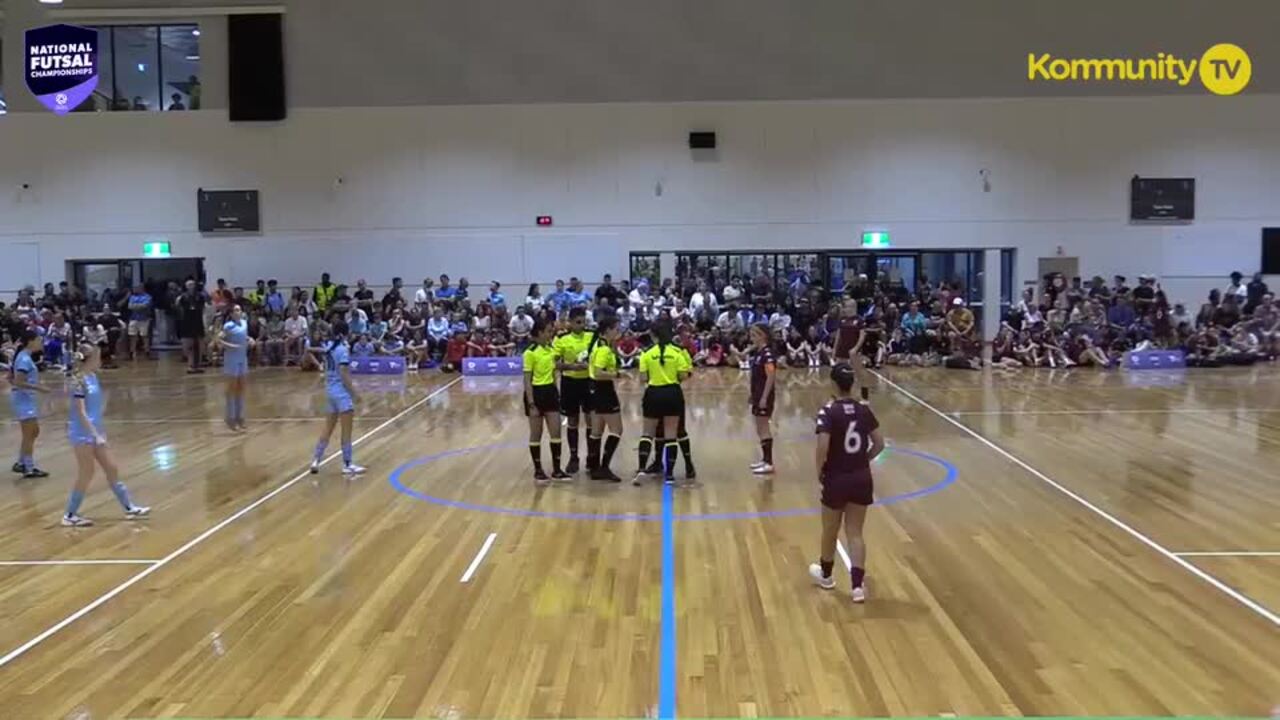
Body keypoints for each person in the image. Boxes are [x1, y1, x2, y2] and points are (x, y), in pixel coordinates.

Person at [809, 363, 885, 603]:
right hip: (861, 476)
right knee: (855, 532)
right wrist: (865, 459)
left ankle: (827, 576)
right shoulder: (863, 410)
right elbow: (880, 444)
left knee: (830, 530)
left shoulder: (828, 411)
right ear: (851, 384)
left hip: (837, 477)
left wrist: (819, 471)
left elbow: (823, 446)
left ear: (832, 383)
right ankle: (857, 587)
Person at [60, 343, 150, 527]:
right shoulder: (78, 381)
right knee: (87, 473)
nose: (101, 360)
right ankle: (69, 515)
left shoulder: (93, 377)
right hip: (82, 433)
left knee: (112, 468)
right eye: (98, 357)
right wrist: (94, 434)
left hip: (96, 431)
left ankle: (129, 508)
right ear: (90, 359)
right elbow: (81, 411)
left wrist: (99, 430)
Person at [635, 319, 690, 485]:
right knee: (671, 434)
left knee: (647, 433)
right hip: (672, 393)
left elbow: (643, 378)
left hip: (653, 393)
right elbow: (683, 376)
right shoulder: (677, 354)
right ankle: (670, 475)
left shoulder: (647, 354)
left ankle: (642, 469)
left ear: (653, 335)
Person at [308, 322, 365, 475]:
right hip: (341, 394)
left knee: (328, 428)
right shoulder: (343, 350)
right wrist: (355, 393)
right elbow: (344, 374)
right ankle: (347, 464)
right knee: (346, 431)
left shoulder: (328, 348)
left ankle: (316, 460)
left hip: (330, 391)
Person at [523, 320, 566, 484]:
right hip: (536, 393)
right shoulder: (530, 353)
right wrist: (531, 403)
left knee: (556, 432)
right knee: (536, 433)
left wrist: (557, 392)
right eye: (548, 331)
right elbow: (527, 380)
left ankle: (557, 470)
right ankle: (538, 470)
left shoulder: (550, 350)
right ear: (540, 333)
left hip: (550, 393)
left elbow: (554, 373)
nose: (551, 334)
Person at [553, 307, 593, 474]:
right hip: (570, 382)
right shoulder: (561, 339)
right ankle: (574, 457)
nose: (581, 325)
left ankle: (592, 457)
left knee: (591, 419)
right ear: (570, 322)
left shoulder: (592, 336)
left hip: (589, 382)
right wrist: (572, 366)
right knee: (573, 420)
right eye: (578, 322)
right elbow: (555, 363)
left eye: (583, 321)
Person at [587, 317, 624, 481]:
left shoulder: (599, 344)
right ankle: (604, 467)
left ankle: (593, 466)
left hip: (594, 390)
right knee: (617, 430)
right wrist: (617, 374)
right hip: (604, 390)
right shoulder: (603, 349)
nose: (618, 331)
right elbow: (598, 372)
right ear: (607, 330)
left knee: (597, 430)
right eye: (616, 328)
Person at [9, 330, 51, 478]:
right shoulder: (24, 360)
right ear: (31, 341)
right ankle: (29, 467)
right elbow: (19, 381)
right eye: (39, 340)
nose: (41, 342)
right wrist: (39, 388)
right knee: (29, 433)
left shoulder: (24, 357)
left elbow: (11, 378)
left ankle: (21, 463)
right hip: (23, 400)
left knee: (34, 431)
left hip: (26, 399)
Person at [747, 324, 778, 475]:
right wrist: (753, 395)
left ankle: (769, 462)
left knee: (764, 428)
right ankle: (764, 460)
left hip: (764, 396)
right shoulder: (758, 353)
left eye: (754, 335)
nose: (752, 338)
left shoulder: (767, 354)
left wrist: (765, 397)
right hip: (758, 394)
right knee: (760, 428)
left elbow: (771, 376)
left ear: (762, 336)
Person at [218, 305, 252, 432]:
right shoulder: (228, 326)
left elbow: (244, 337)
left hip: (242, 358)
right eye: (236, 310)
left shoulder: (244, 323)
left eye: (240, 310)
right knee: (232, 388)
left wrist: (250, 339)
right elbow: (219, 339)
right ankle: (230, 417)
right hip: (231, 359)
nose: (239, 312)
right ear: (231, 313)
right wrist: (230, 345)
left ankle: (240, 417)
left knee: (241, 388)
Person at [177, 280, 208, 373]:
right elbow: (179, 308)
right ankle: (190, 365)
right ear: (186, 286)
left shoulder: (200, 296)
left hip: (197, 322)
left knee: (198, 344)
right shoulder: (182, 297)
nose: (191, 286)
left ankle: (198, 365)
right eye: (189, 285)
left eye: (193, 284)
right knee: (189, 345)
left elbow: (203, 307)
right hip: (187, 322)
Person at [126, 284, 153, 360]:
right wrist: (139, 306)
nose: (134, 290)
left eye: (136, 288)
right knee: (132, 336)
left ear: (141, 288)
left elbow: (145, 306)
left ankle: (147, 352)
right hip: (133, 319)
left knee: (144, 336)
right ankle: (132, 352)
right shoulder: (132, 297)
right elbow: (129, 306)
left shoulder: (147, 297)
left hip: (144, 319)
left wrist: (135, 306)